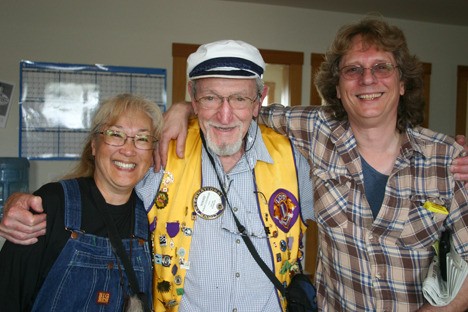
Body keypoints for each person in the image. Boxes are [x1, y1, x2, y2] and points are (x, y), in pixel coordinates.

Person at [155, 17, 468, 311]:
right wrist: (185, 108)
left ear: (403, 82)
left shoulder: (447, 158)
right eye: (353, 70)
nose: (368, 79)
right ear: (337, 86)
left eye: (382, 67)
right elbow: (236, 110)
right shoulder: (314, 133)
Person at [0, 40, 314, 312]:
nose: (225, 114)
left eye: (240, 99)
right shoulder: (163, 154)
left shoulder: (294, 160)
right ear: (193, 97)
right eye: (210, 98)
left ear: (261, 99)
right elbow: (103, 187)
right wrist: (23, 202)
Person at [0, 94, 163, 311]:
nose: (128, 149)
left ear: (152, 155)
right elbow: (7, 296)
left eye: (142, 139)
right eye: (116, 134)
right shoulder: (51, 204)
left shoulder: (152, 218)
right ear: (94, 146)